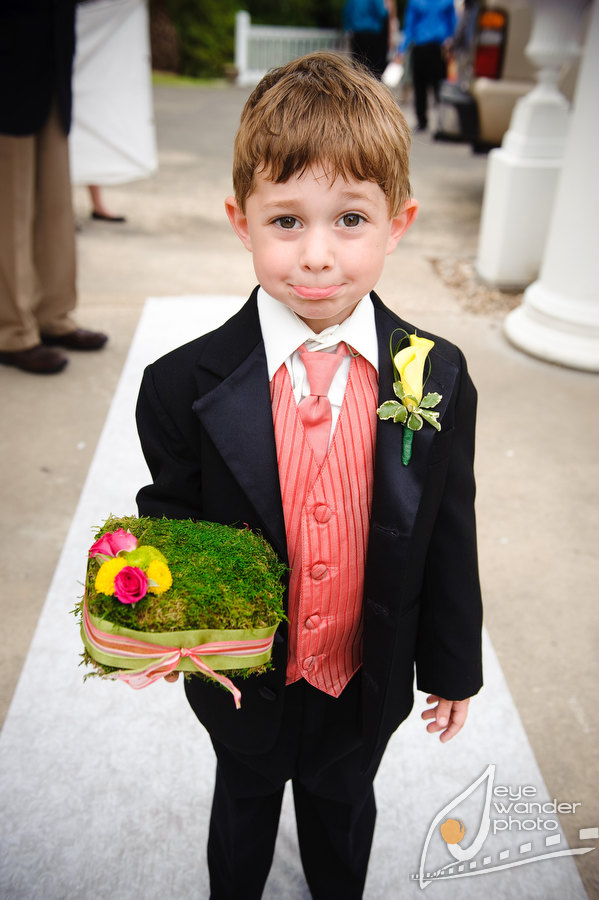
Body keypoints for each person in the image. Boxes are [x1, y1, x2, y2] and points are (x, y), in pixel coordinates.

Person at [135, 52, 483, 899]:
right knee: (243, 803)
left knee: (341, 807)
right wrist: (155, 610)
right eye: (286, 221)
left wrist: (450, 665)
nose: (317, 257)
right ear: (240, 219)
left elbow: (446, 527)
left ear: (397, 223)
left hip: (364, 672)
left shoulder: (433, 375)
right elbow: (174, 523)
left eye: (350, 220)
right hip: (246, 681)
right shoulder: (180, 387)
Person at [0, 1, 108, 375]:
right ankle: (12, 330)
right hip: (9, 61)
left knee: (56, 208)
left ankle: (52, 314)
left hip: (50, 63)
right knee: (9, 211)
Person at [400, 0, 457, 131]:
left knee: (421, 86)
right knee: (438, 87)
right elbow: (453, 24)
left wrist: (401, 50)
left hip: (424, 47)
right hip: (437, 48)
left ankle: (423, 121)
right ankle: (441, 121)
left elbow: (409, 26)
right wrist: (452, 45)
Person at [344, 0, 397, 79]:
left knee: (358, 67)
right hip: (373, 35)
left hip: (357, 35)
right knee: (374, 69)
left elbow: (347, 11)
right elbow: (382, 13)